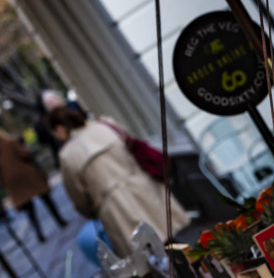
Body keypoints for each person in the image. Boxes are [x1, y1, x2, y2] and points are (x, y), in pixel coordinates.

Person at [48, 107, 187, 257]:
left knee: (146, 254)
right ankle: (195, 271)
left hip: (114, 209)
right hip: (142, 188)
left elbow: (78, 197)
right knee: (169, 239)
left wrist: (92, 211)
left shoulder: (67, 155)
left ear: (59, 129)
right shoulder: (104, 125)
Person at [0, 130, 67, 243]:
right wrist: (29, 151)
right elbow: (24, 154)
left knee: (30, 210)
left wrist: (6, 184)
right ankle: (60, 220)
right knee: (46, 198)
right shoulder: (10, 143)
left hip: (13, 182)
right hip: (27, 175)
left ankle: (39, 233)